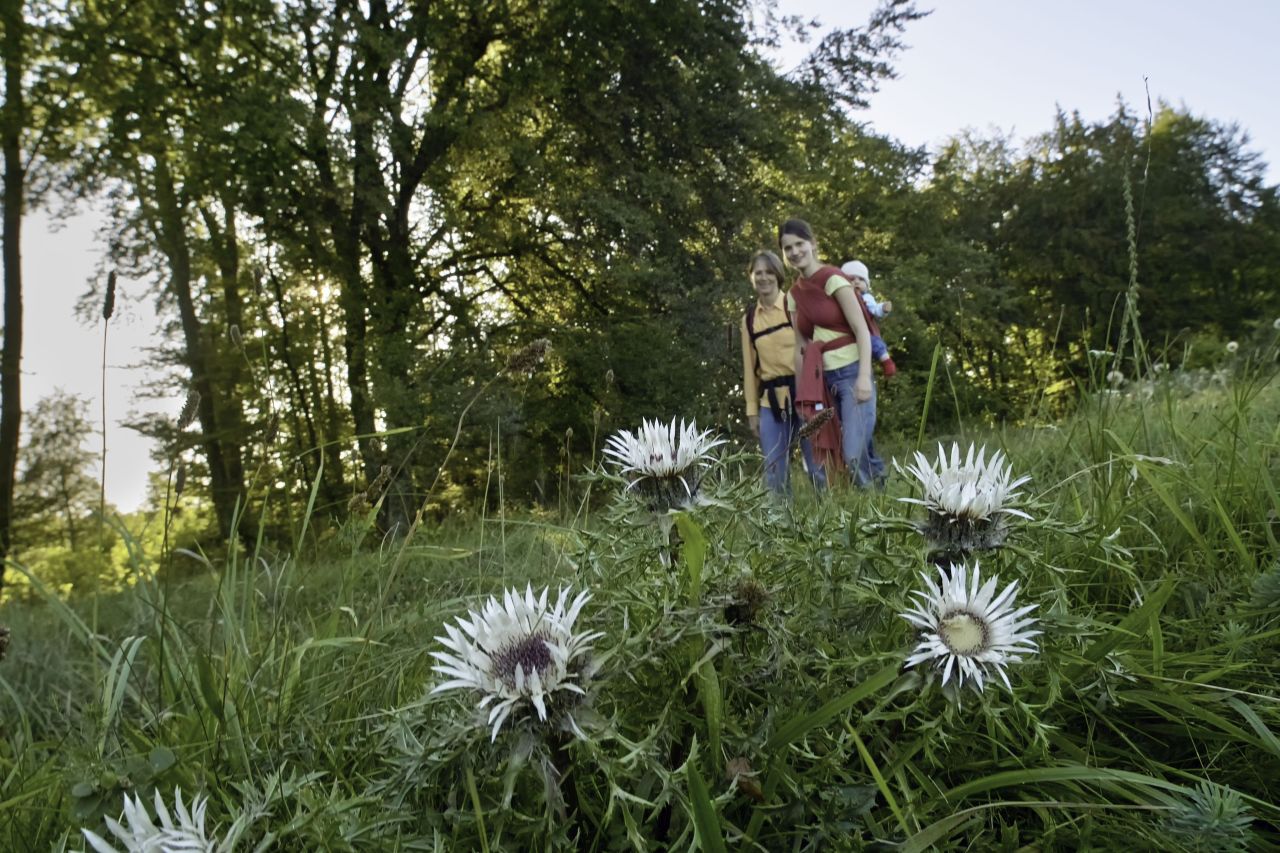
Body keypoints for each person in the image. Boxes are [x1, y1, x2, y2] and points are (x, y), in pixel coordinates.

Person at [779, 219, 886, 488]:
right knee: (834, 457)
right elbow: (801, 345)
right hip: (821, 380)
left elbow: (861, 330)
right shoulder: (794, 294)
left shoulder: (833, 279)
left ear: (813, 244)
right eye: (787, 248)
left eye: (799, 244)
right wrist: (802, 394)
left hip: (851, 373)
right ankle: (864, 509)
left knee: (852, 452)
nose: (794, 252)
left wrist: (864, 377)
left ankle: (875, 506)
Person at [740, 250, 827, 495]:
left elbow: (815, 350)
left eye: (769, 272)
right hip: (771, 402)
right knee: (774, 473)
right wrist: (752, 411)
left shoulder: (795, 306)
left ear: (778, 275)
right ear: (752, 277)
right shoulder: (749, 321)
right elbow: (750, 370)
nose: (764, 278)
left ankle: (831, 519)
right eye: (758, 273)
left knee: (818, 468)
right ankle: (780, 527)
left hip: (806, 395)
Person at [840, 260, 897, 377]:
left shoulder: (866, 298)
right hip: (845, 332)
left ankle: (886, 361)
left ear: (867, 284)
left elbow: (875, 309)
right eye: (851, 279)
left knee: (873, 342)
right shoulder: (839, 299)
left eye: (861, 279)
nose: (856, 282)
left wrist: (883, 308)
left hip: (864, 330)